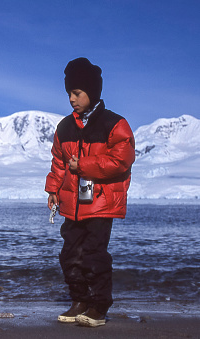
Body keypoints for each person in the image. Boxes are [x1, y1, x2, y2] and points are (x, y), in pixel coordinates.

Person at [45, 57, 135, 327]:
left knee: (95, 253)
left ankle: (98, 306)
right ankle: (80, 301)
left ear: (92, 92)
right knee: (70, 253)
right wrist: (52, 190)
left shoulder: (114, 124)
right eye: (69, 93)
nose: (72, 99)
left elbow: (122, 161)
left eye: (77, 93)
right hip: (72, 205)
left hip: (99, 204)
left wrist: (83, 165)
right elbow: (58, 163)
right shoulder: (64, 127)